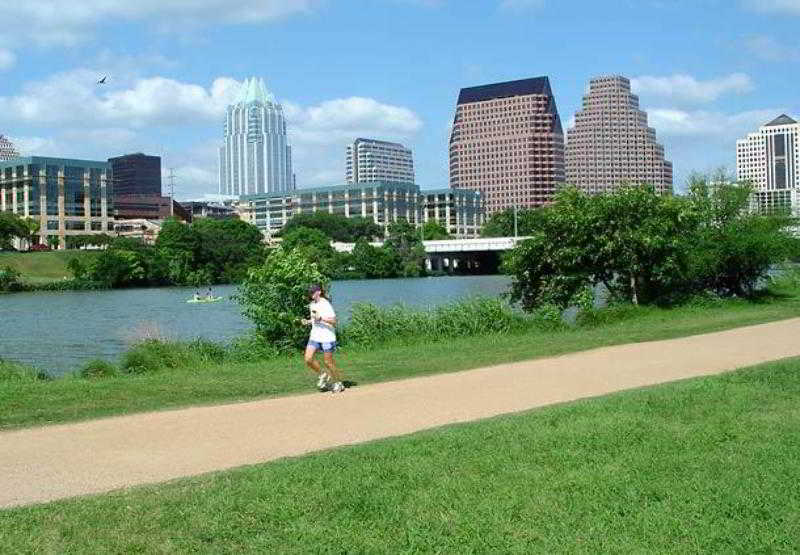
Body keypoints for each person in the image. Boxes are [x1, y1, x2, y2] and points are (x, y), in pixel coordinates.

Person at [302, 284, 344, 393]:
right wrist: (308, 322)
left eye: (312, 292)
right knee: (308, 359)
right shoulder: (312, 304)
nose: (310, 294)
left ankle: (338, 383)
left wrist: (320, 318)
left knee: (328, 362)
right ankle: (323, 374)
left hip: (327, 337)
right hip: (315, 336)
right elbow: (315, 319)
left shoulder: (326, 304)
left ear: (319, 292)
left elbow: (334, 321)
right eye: (309, 292)